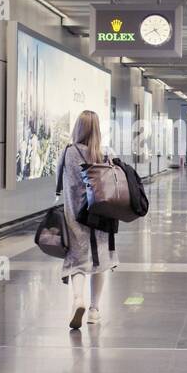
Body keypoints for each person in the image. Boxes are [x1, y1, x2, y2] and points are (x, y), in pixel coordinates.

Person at [57, 110, 118, 330]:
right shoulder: (103, 154)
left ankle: (77, 300)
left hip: (74, 214)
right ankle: (94, 310)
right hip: (100, 216)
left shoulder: (68, 152)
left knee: (77, 259)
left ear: (77, 128)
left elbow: (58, 182)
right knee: (99, 261)